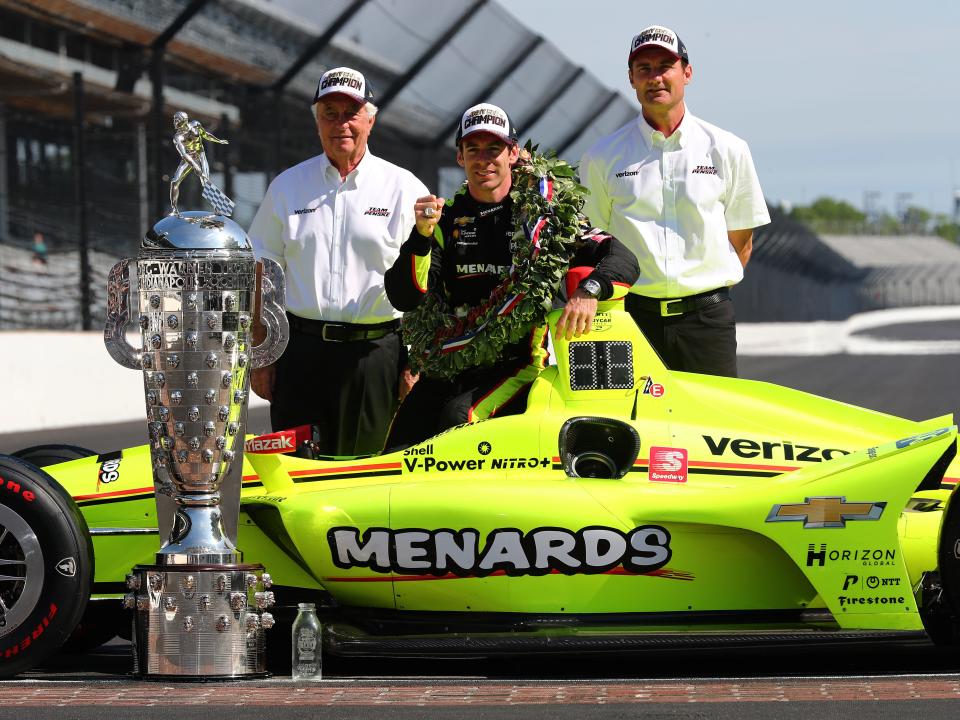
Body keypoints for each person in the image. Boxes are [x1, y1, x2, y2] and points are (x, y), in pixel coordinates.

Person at [383, 103, 639, 450]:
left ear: (513, 153)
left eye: (494, 149)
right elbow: (405, 297)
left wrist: (588, 291)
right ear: (460, 156)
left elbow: (621, 257)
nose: (484, 159)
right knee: (403, 437)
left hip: (519, 366)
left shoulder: (545, 220)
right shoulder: (446, 220)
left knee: (458, 420)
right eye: (473, 149)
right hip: (450, 362)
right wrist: (421, 235)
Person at [248, 67, 428, 456]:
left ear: (371, 120)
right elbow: (260, 271)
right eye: (330, 112)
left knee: (366, 474)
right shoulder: (287, 186)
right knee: (294, 474)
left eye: (351, 112)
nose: (341, 124)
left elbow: (425, 283)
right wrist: (261, 353)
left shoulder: (404, 188)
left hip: (376, 356)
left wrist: (414, 363)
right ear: (317, 121)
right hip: (298, 355)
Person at [579, 25, 770, 377]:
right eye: (644, 69)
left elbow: (741, 242)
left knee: (712, 426)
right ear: (632, 79)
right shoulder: (602, 157)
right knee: (628, 430)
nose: (655, 78)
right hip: (629, 321)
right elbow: (593, 243)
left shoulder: (728, 149)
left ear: (687, 73)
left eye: (665, 66)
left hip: (707, 321)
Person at [169, 111, 228, 216]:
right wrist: (195, 166)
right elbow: (184, 154)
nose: (174, 122)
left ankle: (218, 207)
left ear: (184, 120)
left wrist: (219, 141)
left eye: (177, 119)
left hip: (200, 155)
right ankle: (174, 210)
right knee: (174, 182)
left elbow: (205, 135)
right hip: (188, 158)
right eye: (174, 119)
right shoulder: (178, 137)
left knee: (205, 182)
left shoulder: (195, 124)